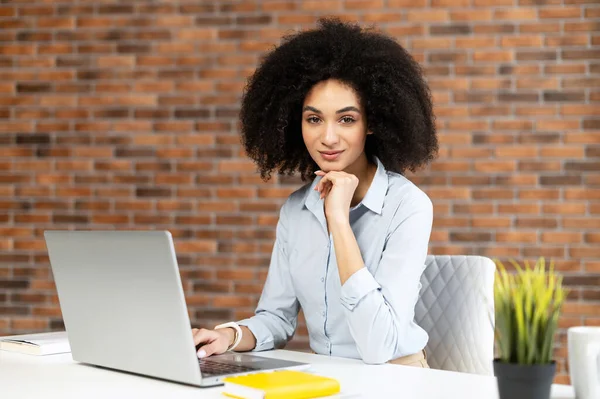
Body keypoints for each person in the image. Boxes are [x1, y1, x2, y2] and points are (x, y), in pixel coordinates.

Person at [192, 17, 438, 366]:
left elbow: (379, 347)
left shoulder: (408, 206)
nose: (328, 137)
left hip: (396, 377)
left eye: (347, 119)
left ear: (373, 123)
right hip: (328, 376)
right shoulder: (296, 210)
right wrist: (229, 336)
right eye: (314, 119)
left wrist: (338, 220)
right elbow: (276, 319)